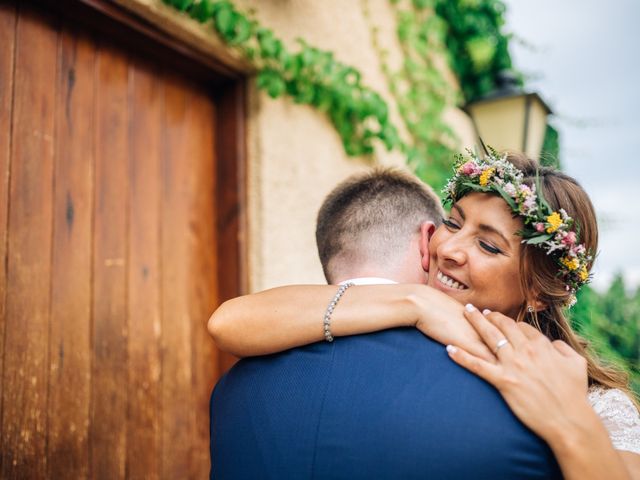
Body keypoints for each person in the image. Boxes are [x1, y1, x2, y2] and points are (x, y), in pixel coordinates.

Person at [210, 151, 640, 479]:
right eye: (453, 224)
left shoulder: (590, 398)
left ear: (539, 292)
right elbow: (229, 322)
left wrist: (569, 421)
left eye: (488, 246)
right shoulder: (409, 317)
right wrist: (415, 302)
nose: (448, 250)